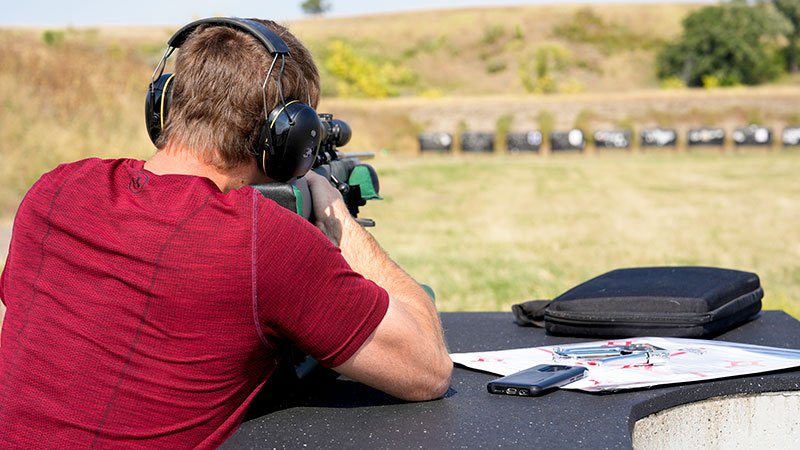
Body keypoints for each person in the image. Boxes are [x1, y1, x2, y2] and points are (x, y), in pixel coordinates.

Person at [0, 18, 452, 449]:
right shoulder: (259, 238)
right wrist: (336, 215)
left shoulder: (57, 190)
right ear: (286, 139)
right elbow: (427, 370)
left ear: (164, 104)